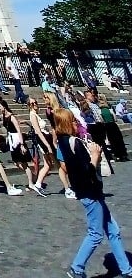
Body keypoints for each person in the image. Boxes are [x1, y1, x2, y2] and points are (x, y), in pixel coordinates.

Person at [55, 107, 132, 278]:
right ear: (67, 123)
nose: (76, 123)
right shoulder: (73, 142)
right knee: (96, 233)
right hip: (89, 193)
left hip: (89, 192)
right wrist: (95, 155)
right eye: (73, 121)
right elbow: (86, 172)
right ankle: (77, 267)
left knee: (113, 230)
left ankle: (126, 269)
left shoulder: (62, 141)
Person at [28, 97, 74, 198]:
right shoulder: (32, 115)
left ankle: (38, 184)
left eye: (35, 102)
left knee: (48, 165)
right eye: (32, 104)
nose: (35, 104)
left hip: (46, 139)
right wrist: (48, 145)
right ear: (29, 106)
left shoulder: (36, 114)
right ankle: (67, 189)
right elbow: (38, 132)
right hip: (44, 141)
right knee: (57, 165)